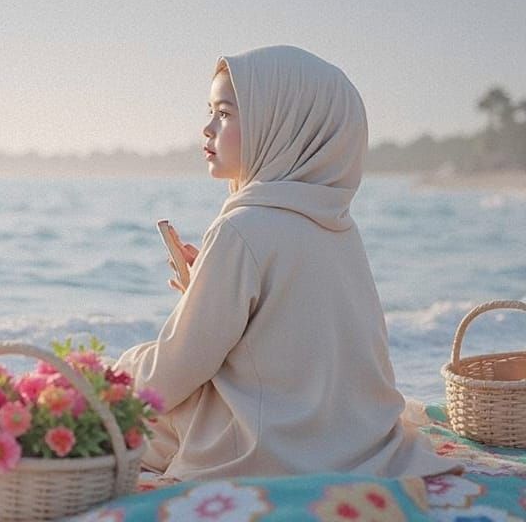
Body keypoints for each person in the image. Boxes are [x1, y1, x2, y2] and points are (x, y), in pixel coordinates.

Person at [116, 45, 459, 480]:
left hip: (265, 446)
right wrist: (204, 291)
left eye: (224, 114)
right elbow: (301, 336)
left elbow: (180, 367)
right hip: (349, 437)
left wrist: (113, 382)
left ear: (280, 125)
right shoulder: (335, 223)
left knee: (126, 381)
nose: (206, 129)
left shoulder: (242, 228)